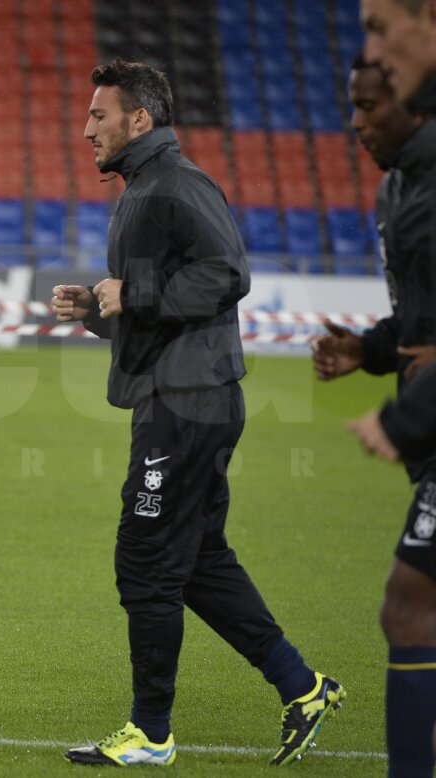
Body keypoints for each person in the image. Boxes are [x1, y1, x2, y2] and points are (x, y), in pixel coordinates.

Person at [51, 59, 344, 768]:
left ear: (139, 119)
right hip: (180, 395)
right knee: (195, 557)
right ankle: (303, 688)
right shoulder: (144, 187)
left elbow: (227, 273)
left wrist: (134, 293)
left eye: (98, 114)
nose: (86, 128)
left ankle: (151, 732)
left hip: (187, 403)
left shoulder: (178, 184)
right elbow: (160, 309)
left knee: (145, 560)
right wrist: (98, 309)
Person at [343, 37, 436, 778]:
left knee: (406, 605)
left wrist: (401, 419)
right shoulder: (398, 189)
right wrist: (368, 350)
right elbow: (418, 320)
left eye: (370, 105)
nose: (357, 122)